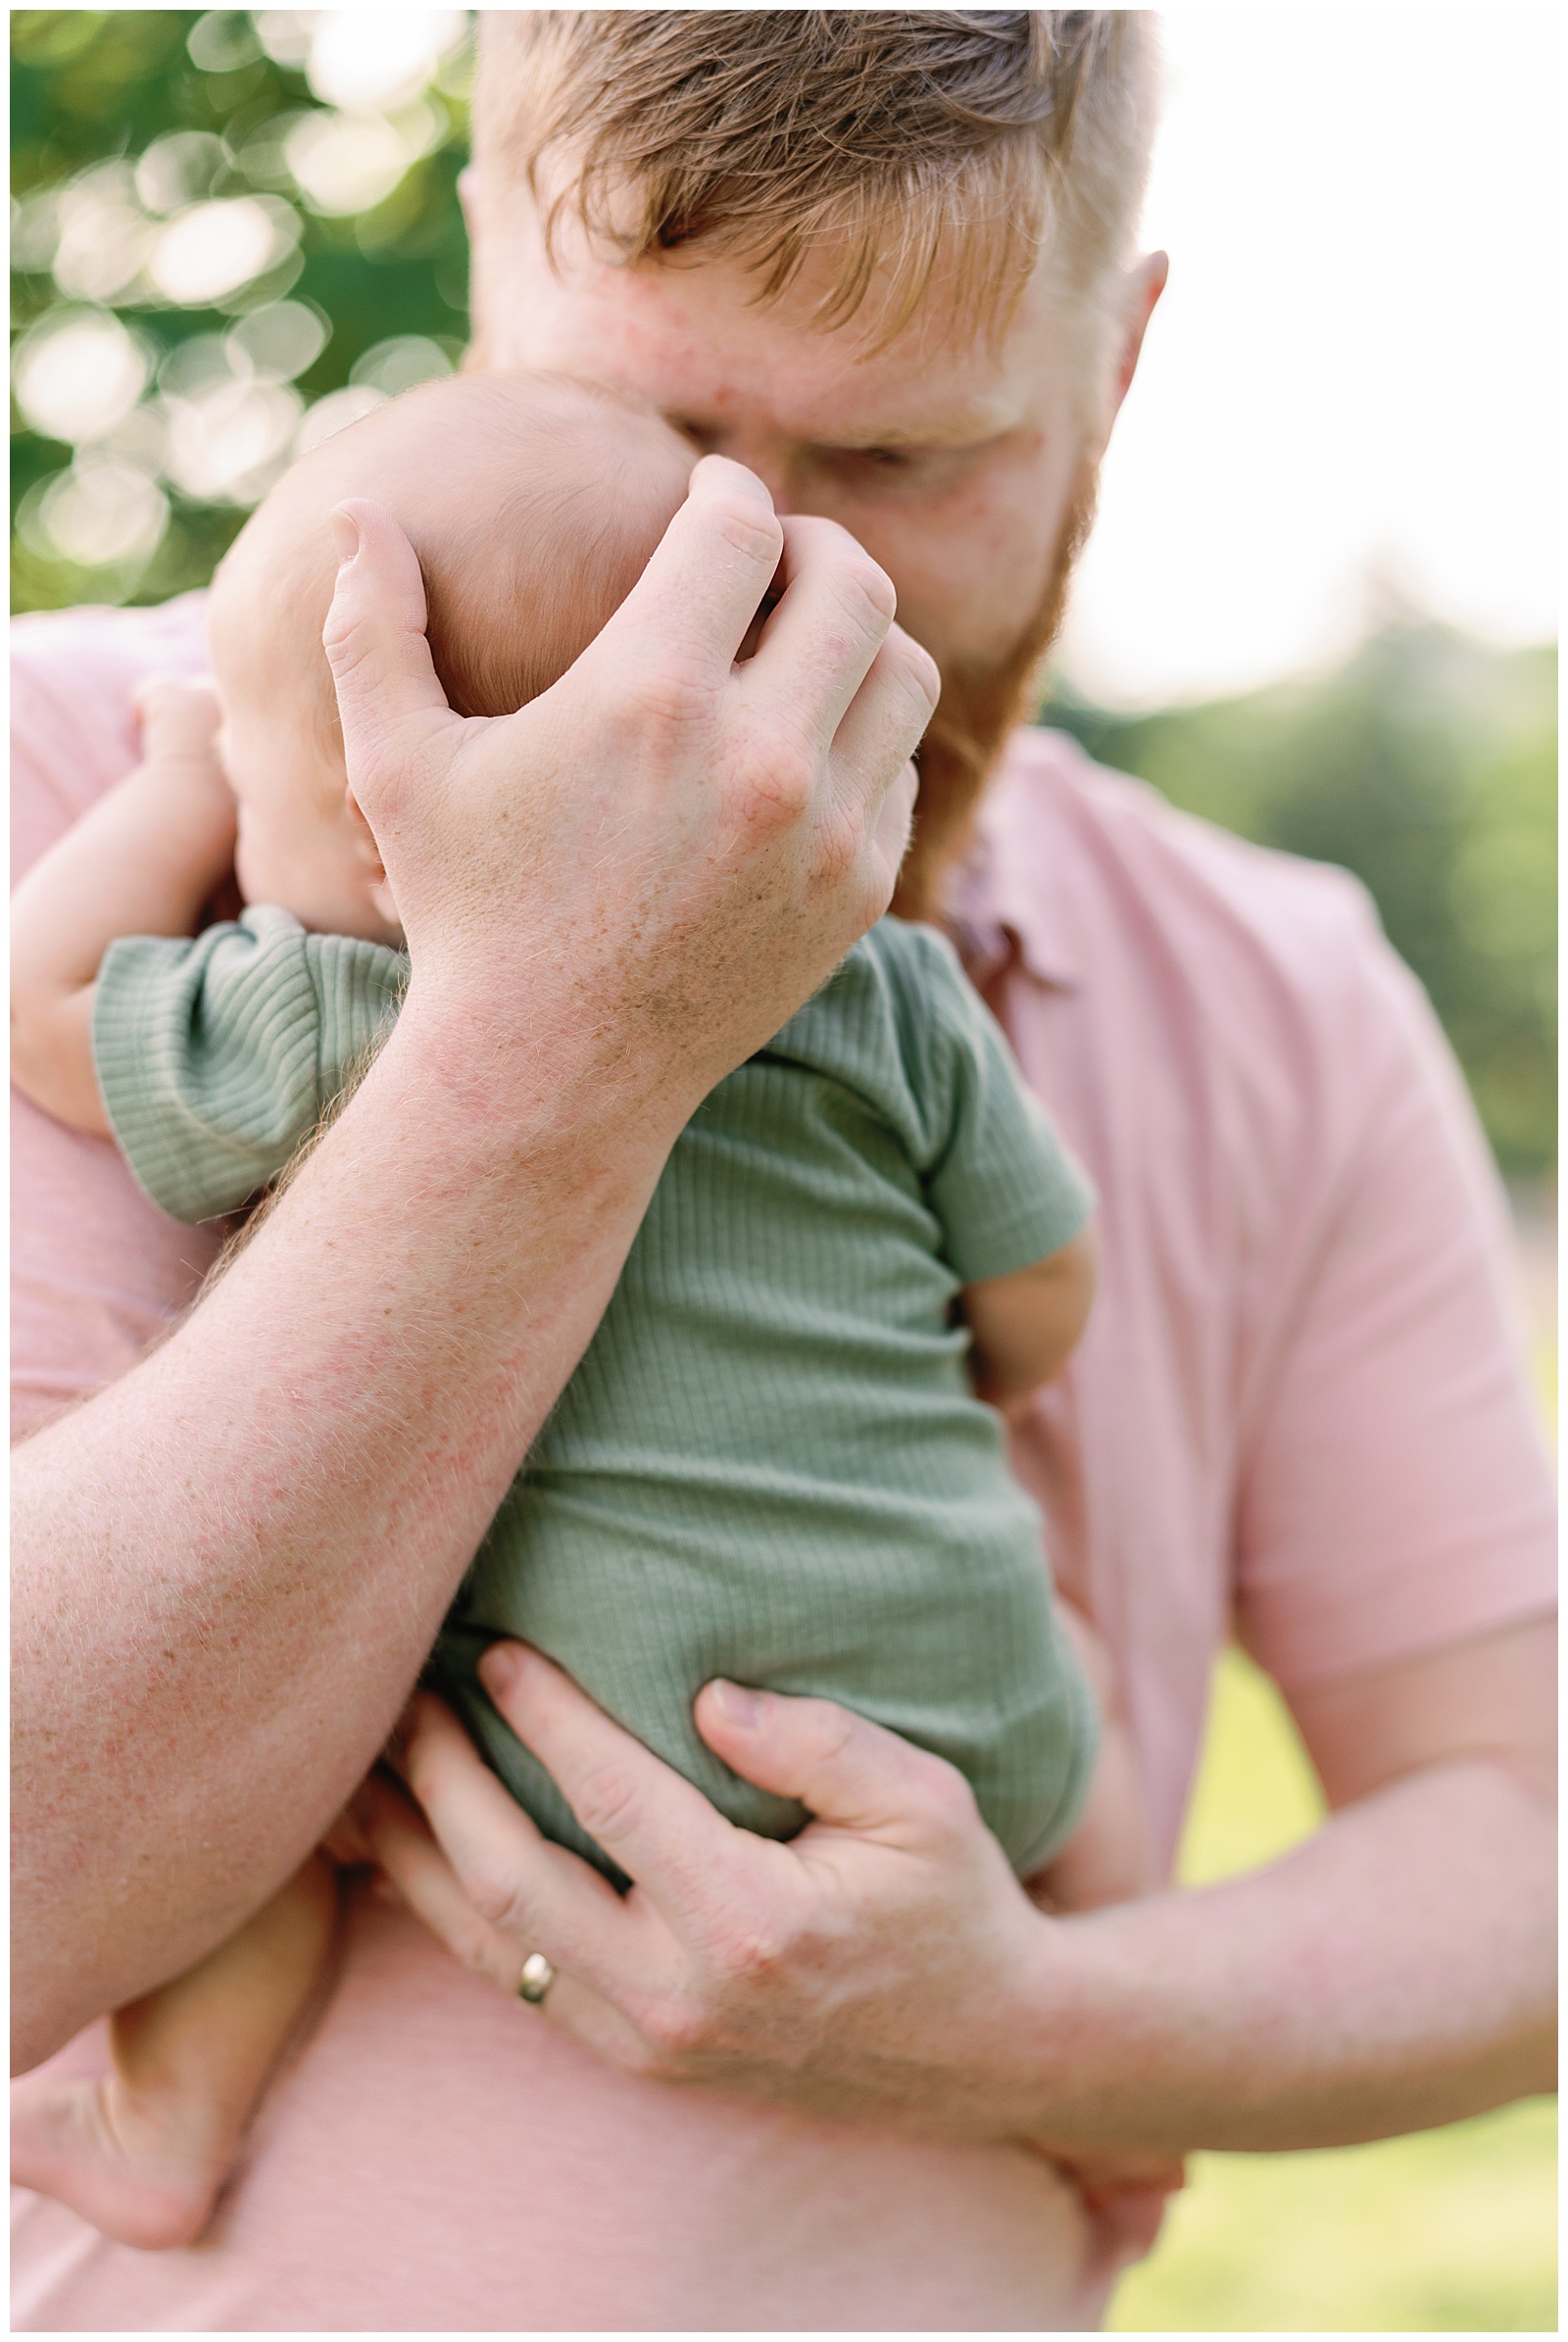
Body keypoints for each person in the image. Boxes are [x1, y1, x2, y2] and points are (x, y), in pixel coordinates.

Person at [12, 14, 1554, 2331]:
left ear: (1110, 368)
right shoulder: (91, 785)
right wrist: (559, 1035)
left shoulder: (1276, 990)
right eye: (659, 438)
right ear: (484, 257)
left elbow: (1520, 1851)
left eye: (891, 454)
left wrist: (1034, 2024)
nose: (756, 611)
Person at [12, 365, 1131, 2250]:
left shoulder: (320, 1008)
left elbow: (39, 1011)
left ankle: (169, 2122)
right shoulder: (886, 988)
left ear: (375, 821)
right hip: (965, 1719)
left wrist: (186, 774)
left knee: (275, 1789)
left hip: (562, 1763)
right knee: (1067, 1650)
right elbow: (1037, 1295)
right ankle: (1111, 2086)